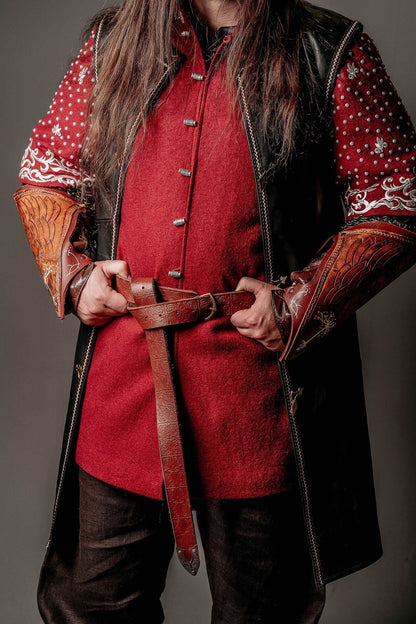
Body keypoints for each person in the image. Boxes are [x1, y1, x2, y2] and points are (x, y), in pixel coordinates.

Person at [14, 0, 416, 622]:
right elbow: (47, 172)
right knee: (88, 606)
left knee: (266, 612)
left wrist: (298, 302)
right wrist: (73, 275)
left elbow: (399, 197)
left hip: (260, 395)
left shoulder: (328, 49)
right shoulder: (114, 39)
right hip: (125, 376)